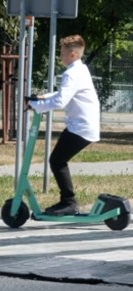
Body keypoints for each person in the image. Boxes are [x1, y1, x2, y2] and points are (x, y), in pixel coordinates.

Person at [28, 35, 100, 216]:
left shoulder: (71, 73)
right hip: (83, 125)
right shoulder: (81, 69)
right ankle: (68, 201)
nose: (60, 56)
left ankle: (69, 202)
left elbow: (61, 100)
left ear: (73, 54)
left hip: (81, 127)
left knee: (57, 161)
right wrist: (43, 97)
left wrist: (36, 106)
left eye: (62, 53)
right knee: (58, 160)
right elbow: (63, 93)